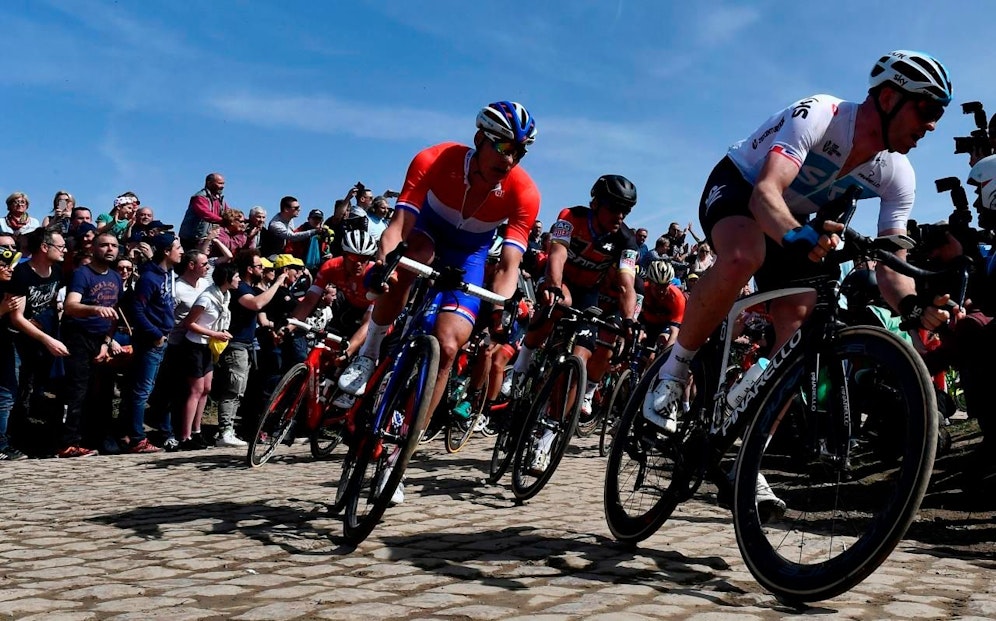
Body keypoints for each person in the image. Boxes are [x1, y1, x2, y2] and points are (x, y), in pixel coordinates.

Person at [643, 49, 956, 439]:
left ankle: (747, 448)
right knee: (744, 256)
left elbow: (892, 264)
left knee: (800, 324)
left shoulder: (898, 175)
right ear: (889, 97)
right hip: (742, 188)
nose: (932, 125)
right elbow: (765, 194)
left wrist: (912, 305)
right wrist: (795, 235)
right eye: (927, 109)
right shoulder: (822, 114)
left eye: (939, 114)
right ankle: (674, 371)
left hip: (790, 215)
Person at [337, 100, 540, 504]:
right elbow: (398, 228)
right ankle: (371, 350)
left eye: (519, 151)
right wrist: (383, 265)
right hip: (425, 233)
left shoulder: (524, 192)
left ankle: (399, 456)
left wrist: (499, 307)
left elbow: (509, 264)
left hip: (470, 255)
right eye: (503, 147)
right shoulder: (435, 158)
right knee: (412, 261)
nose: (510, 159)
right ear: (480, 139)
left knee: (448, 347)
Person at [505, 175, 640, 448]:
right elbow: (557, 254)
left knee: (580, 359)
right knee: (560, 303)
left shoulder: (627, 241)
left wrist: (629, 320)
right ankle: (522, 363)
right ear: (596, 203)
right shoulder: (571, 217)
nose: (620, 215)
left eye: (626, 210)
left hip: (589, 294)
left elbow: (627, 284)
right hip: (562, 280)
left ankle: (548, 438)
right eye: (614, 208)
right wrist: (554, 285)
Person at [289, 229, 378, 409]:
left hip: (374, 315)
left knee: (364, 349)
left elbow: (369, 322)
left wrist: (349, 352)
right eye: (353, 258)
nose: (359, 264)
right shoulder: (331, 266)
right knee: (329, 349)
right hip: (350, 308)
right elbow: (310, 300)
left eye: (364, 259)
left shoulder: (374, 275)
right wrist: (289, 325)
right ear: (344, 255)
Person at [61, 233, 123, 456]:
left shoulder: (116, 277)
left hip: (102, 339)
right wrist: (94, 309)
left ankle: (101, 437)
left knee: (105, 392)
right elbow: (70, 306)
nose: (110, 249)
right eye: (104, 245)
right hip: (78, 336)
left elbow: (115, 313)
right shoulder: (82, 274)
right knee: (78, 390)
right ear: (94, 248)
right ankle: (69, 442)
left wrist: (107, 342)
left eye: (114, 245)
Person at [121, 233, 183, 454]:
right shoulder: (149, 278)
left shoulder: (165, 274)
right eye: (177, 248)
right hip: (150, 342)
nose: (181, 252)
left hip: (162, 339)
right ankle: (136, 438)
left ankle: (135, 432)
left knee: (152, 390)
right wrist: (155, 334)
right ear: (166, 251)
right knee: (141, 391)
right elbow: (137, 310)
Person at [181, 263, 238, 449]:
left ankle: (197, 431)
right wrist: (214, 334)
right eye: (236, 276)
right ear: (227, 278)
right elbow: (189, 323)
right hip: (195, 345)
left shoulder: (225, 296)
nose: (238, 279)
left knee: (206, 388)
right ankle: (185, 436)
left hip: (209, 346)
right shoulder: (206, 298)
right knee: (195, 390)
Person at [0, 242, 25, 460]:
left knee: (6, 396)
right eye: (4, 265)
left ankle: (2, 443)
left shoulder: (11, 283)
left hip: (7, 345)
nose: (10, 269)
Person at [179, 173, 229, 250]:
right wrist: (224, 221)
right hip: (192, 239)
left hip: (207, 238)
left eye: (223, 183)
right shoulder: (200, 197)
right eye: (220, 183)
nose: (222, 186)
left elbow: (229, 213)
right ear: (209, 183)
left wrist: (241, 220)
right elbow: (205, 214)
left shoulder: (220, 200)